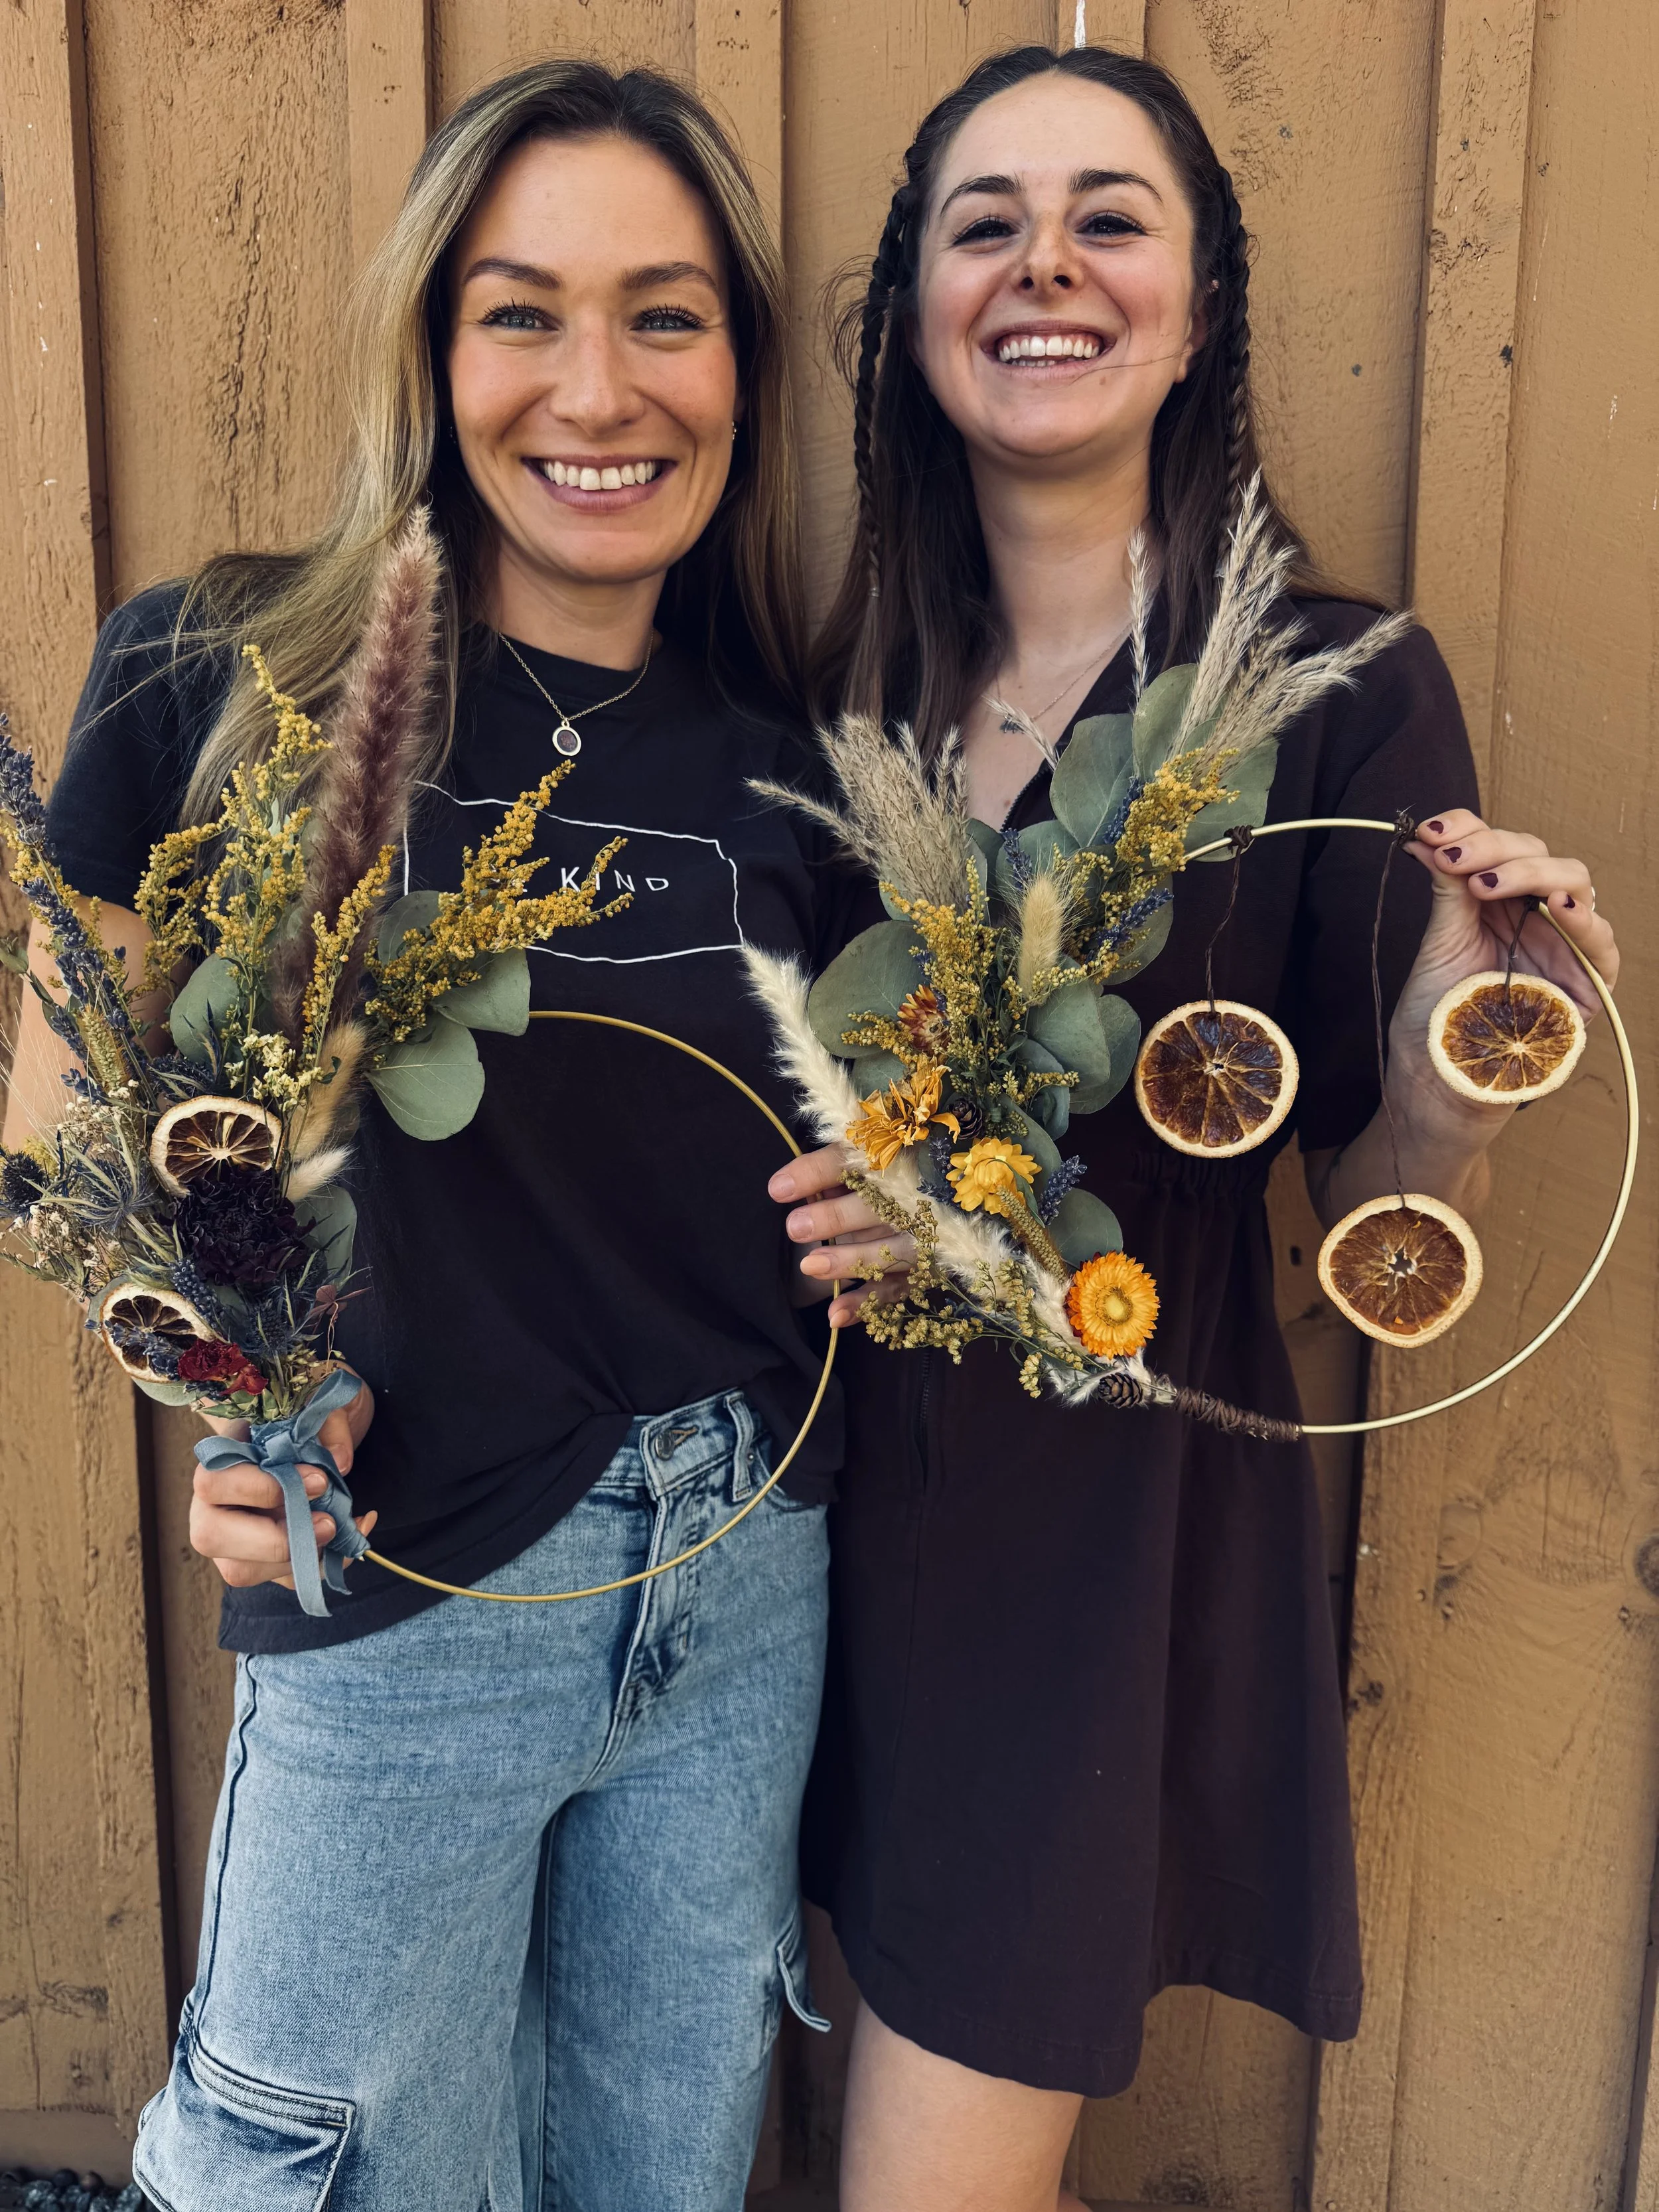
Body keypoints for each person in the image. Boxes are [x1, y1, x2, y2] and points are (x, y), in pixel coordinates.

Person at [767, 44, 1621, 2212]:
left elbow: (1385, 1215)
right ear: (915, 306)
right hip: (797, 1536)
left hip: (1079, 1564)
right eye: (985, 221)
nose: (1043, 264)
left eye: (1108, 217)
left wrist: (1471, 1016)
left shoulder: (1337, 688)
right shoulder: (834, 690)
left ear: (1201, 304)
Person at [6, 60, 851, 2212]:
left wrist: (899, 1222)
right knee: (321, 2176)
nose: (599, 382)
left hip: (744, 1575)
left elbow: (859, 1152)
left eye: (667, 313)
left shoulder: (797, 770)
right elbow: (60, 1114)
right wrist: (222, 1382)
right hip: (400, 1578)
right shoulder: (216, 671)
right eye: (521, 308)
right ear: (430, 344)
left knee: (654, 2176)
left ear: (739, 370)